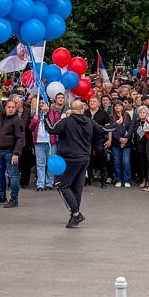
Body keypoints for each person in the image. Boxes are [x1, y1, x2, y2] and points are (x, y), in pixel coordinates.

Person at [50, 96, 95, 227]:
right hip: (84, 157)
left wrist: (47, 115)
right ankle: (74, 215)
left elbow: (51, 129)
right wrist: (114, 125)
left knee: (62, 185)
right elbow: (102, 130)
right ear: (82, 109)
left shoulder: (66, 121)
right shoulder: (89, 121)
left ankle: (75, 213)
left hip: (70, 158)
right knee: (77, 187)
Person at [0, 95, 26, 207]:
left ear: (16, 108)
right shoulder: (2, 116)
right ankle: (2, 196)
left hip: (11, 152)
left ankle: (14, 199)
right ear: (5, 108)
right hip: (0, 152)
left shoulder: (18, 120)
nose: (10, 109)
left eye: (13, 107)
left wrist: (16, 153)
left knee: (13, 176)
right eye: (8, 107)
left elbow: (21, 138)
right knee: (0, 175)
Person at [110, 101, 135, 188]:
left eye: (119, 106)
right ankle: (118, 179)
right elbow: (112, 130)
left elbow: (130, 128)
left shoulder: (127, 116)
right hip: (116, 143)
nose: (117, 107)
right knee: (117, 162)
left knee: (126, 161)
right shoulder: (111, 117)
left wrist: (126, 138)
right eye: (115, 106)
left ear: (122, 107)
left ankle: (126, 180)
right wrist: (119, 139)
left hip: (127, 143)